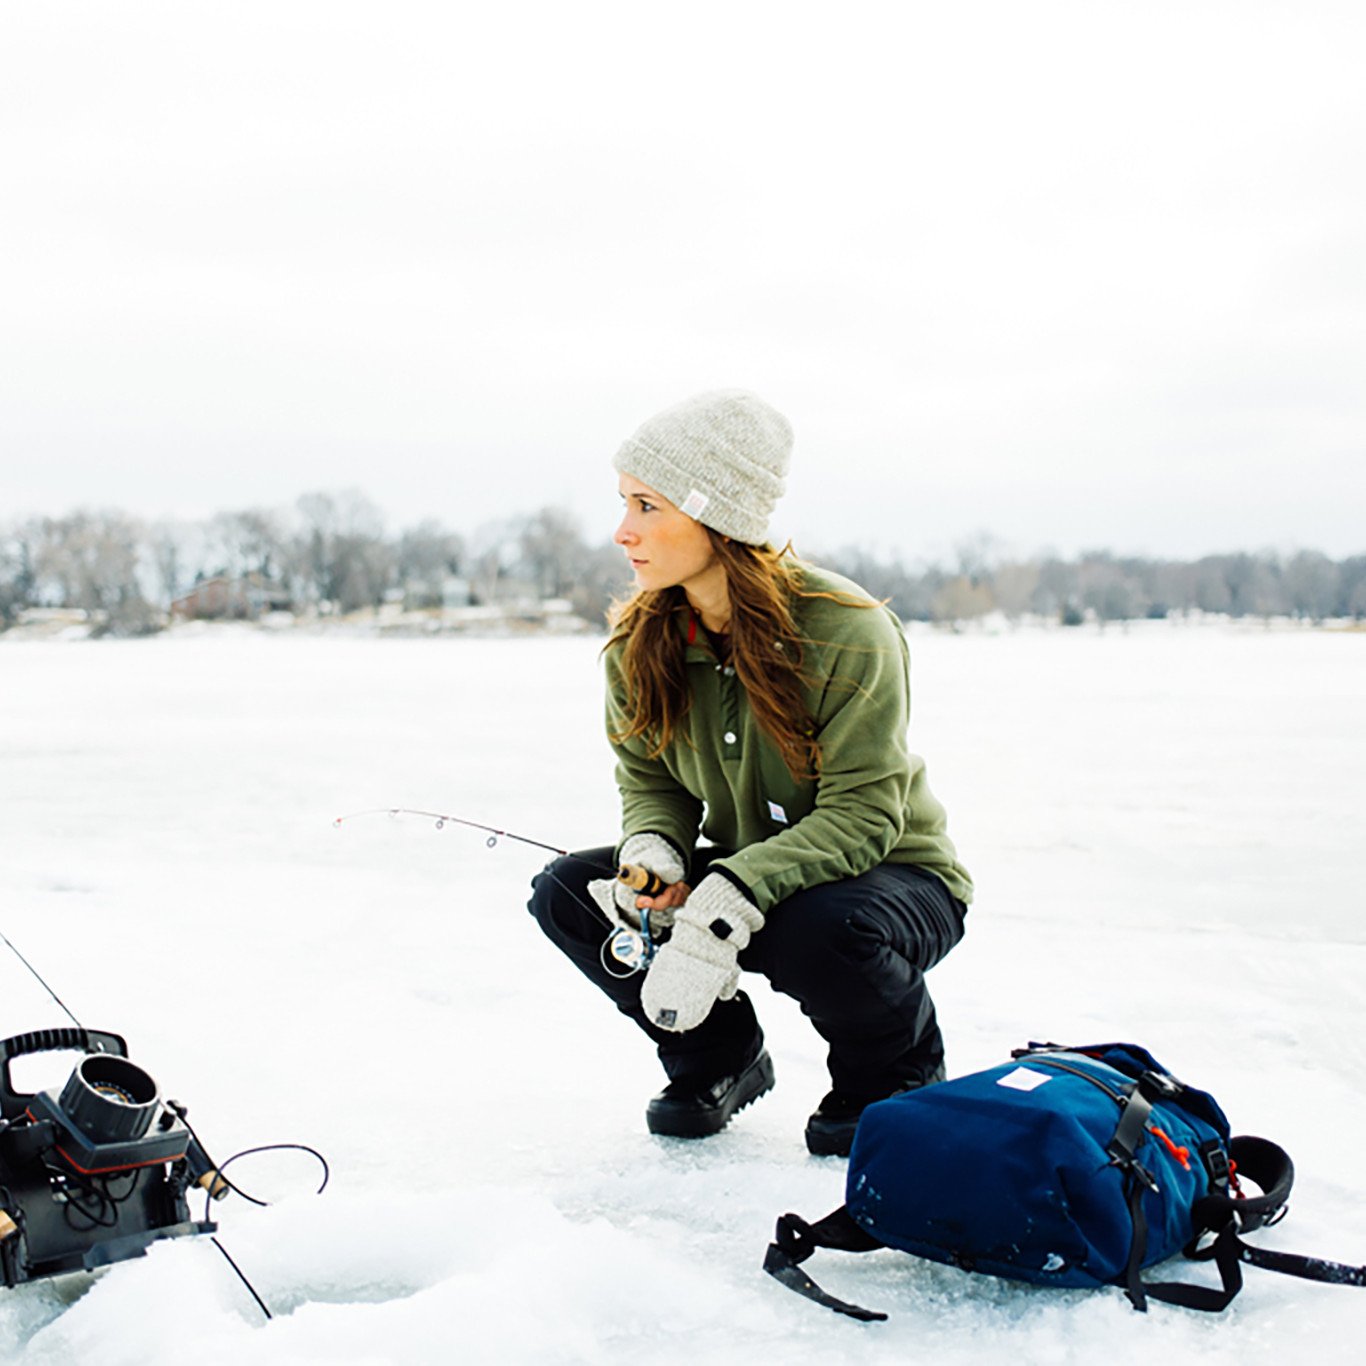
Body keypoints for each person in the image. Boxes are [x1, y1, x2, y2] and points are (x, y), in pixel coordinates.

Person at [528, 390, 972, 1156]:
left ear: (715, 516)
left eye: (646, 504)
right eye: (623, 503)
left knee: (816, 923)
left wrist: (729, 893)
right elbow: (651, 781)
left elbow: (865, 819)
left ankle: (895, 1072)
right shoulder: (642, 640)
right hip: (750, 882)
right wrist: (656, 853)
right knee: (570, 894)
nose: (622, 531)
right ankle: (716, 1057)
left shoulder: (849, 631)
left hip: (894, 883)